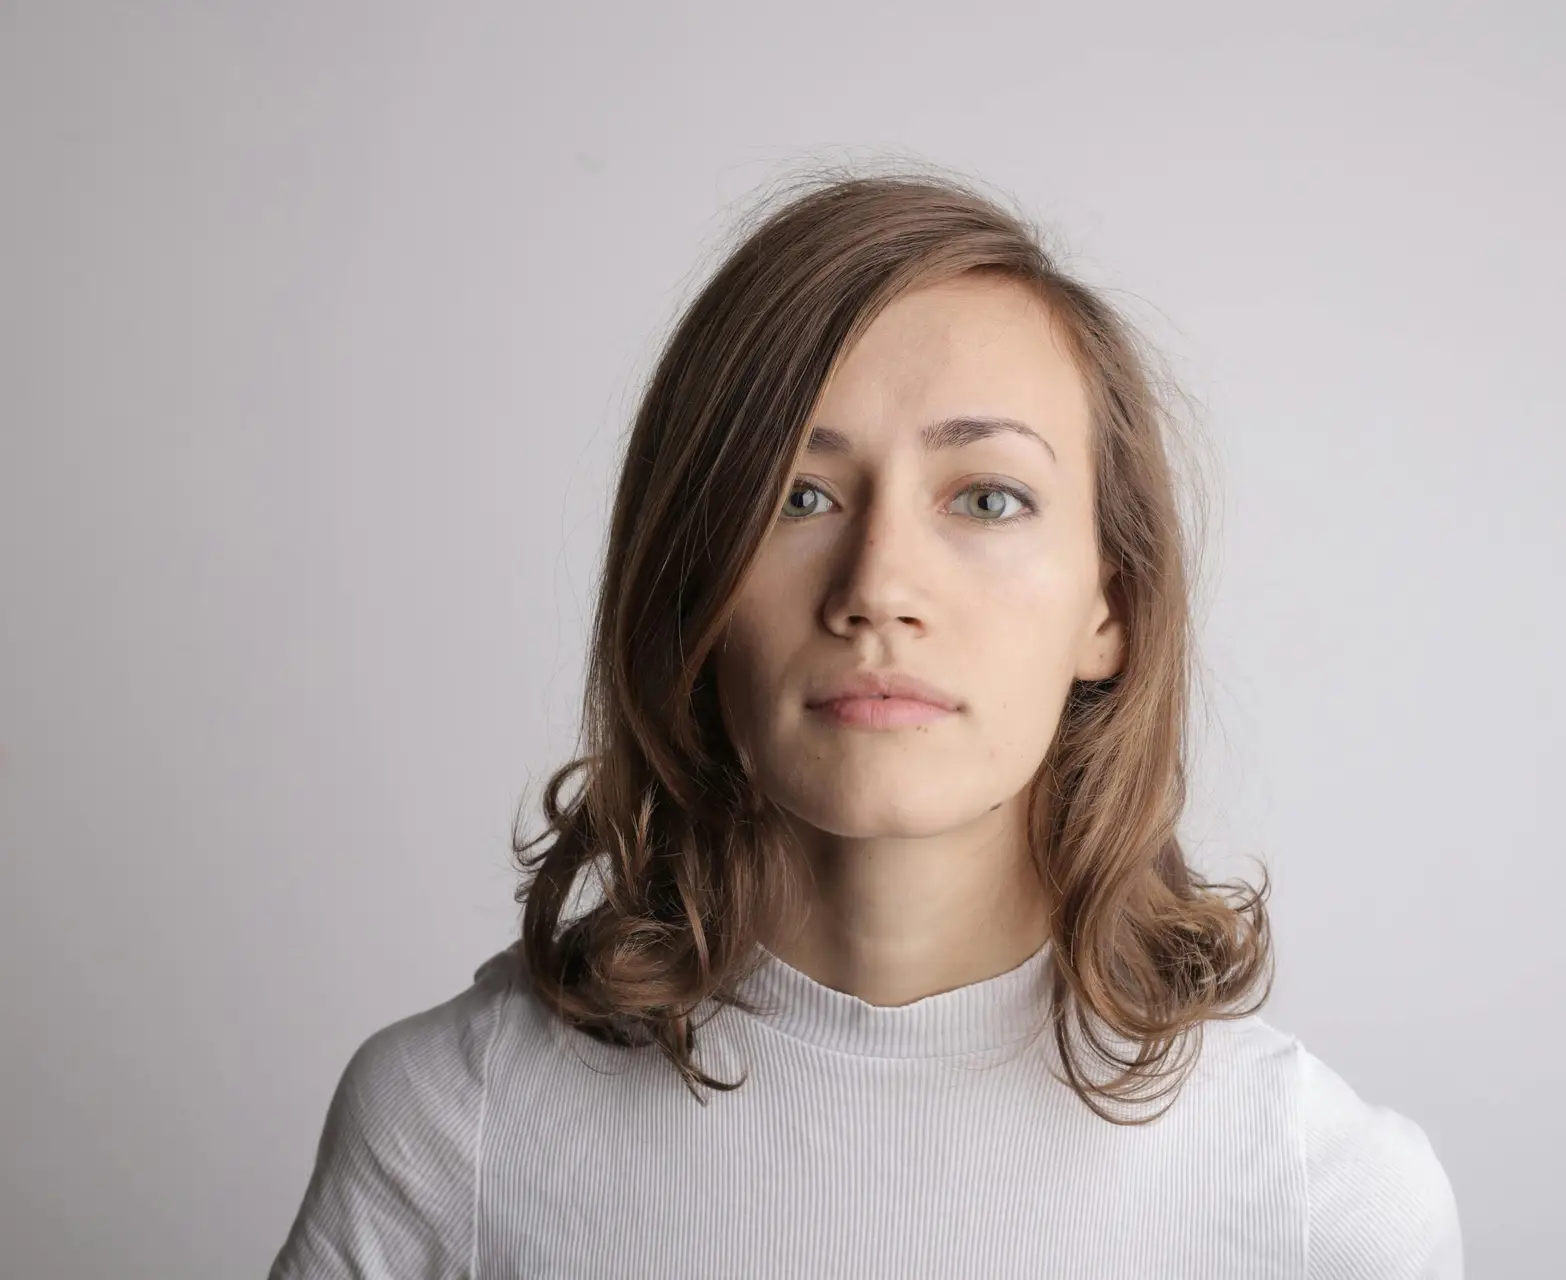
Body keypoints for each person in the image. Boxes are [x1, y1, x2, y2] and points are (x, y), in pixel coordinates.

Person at [268, 167, 1464, 1278]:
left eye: (988, 497)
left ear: (1113, 604)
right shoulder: (450, 1129)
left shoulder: (1323, 1198)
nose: (878, 584)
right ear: (692, 582)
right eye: (799, 494)